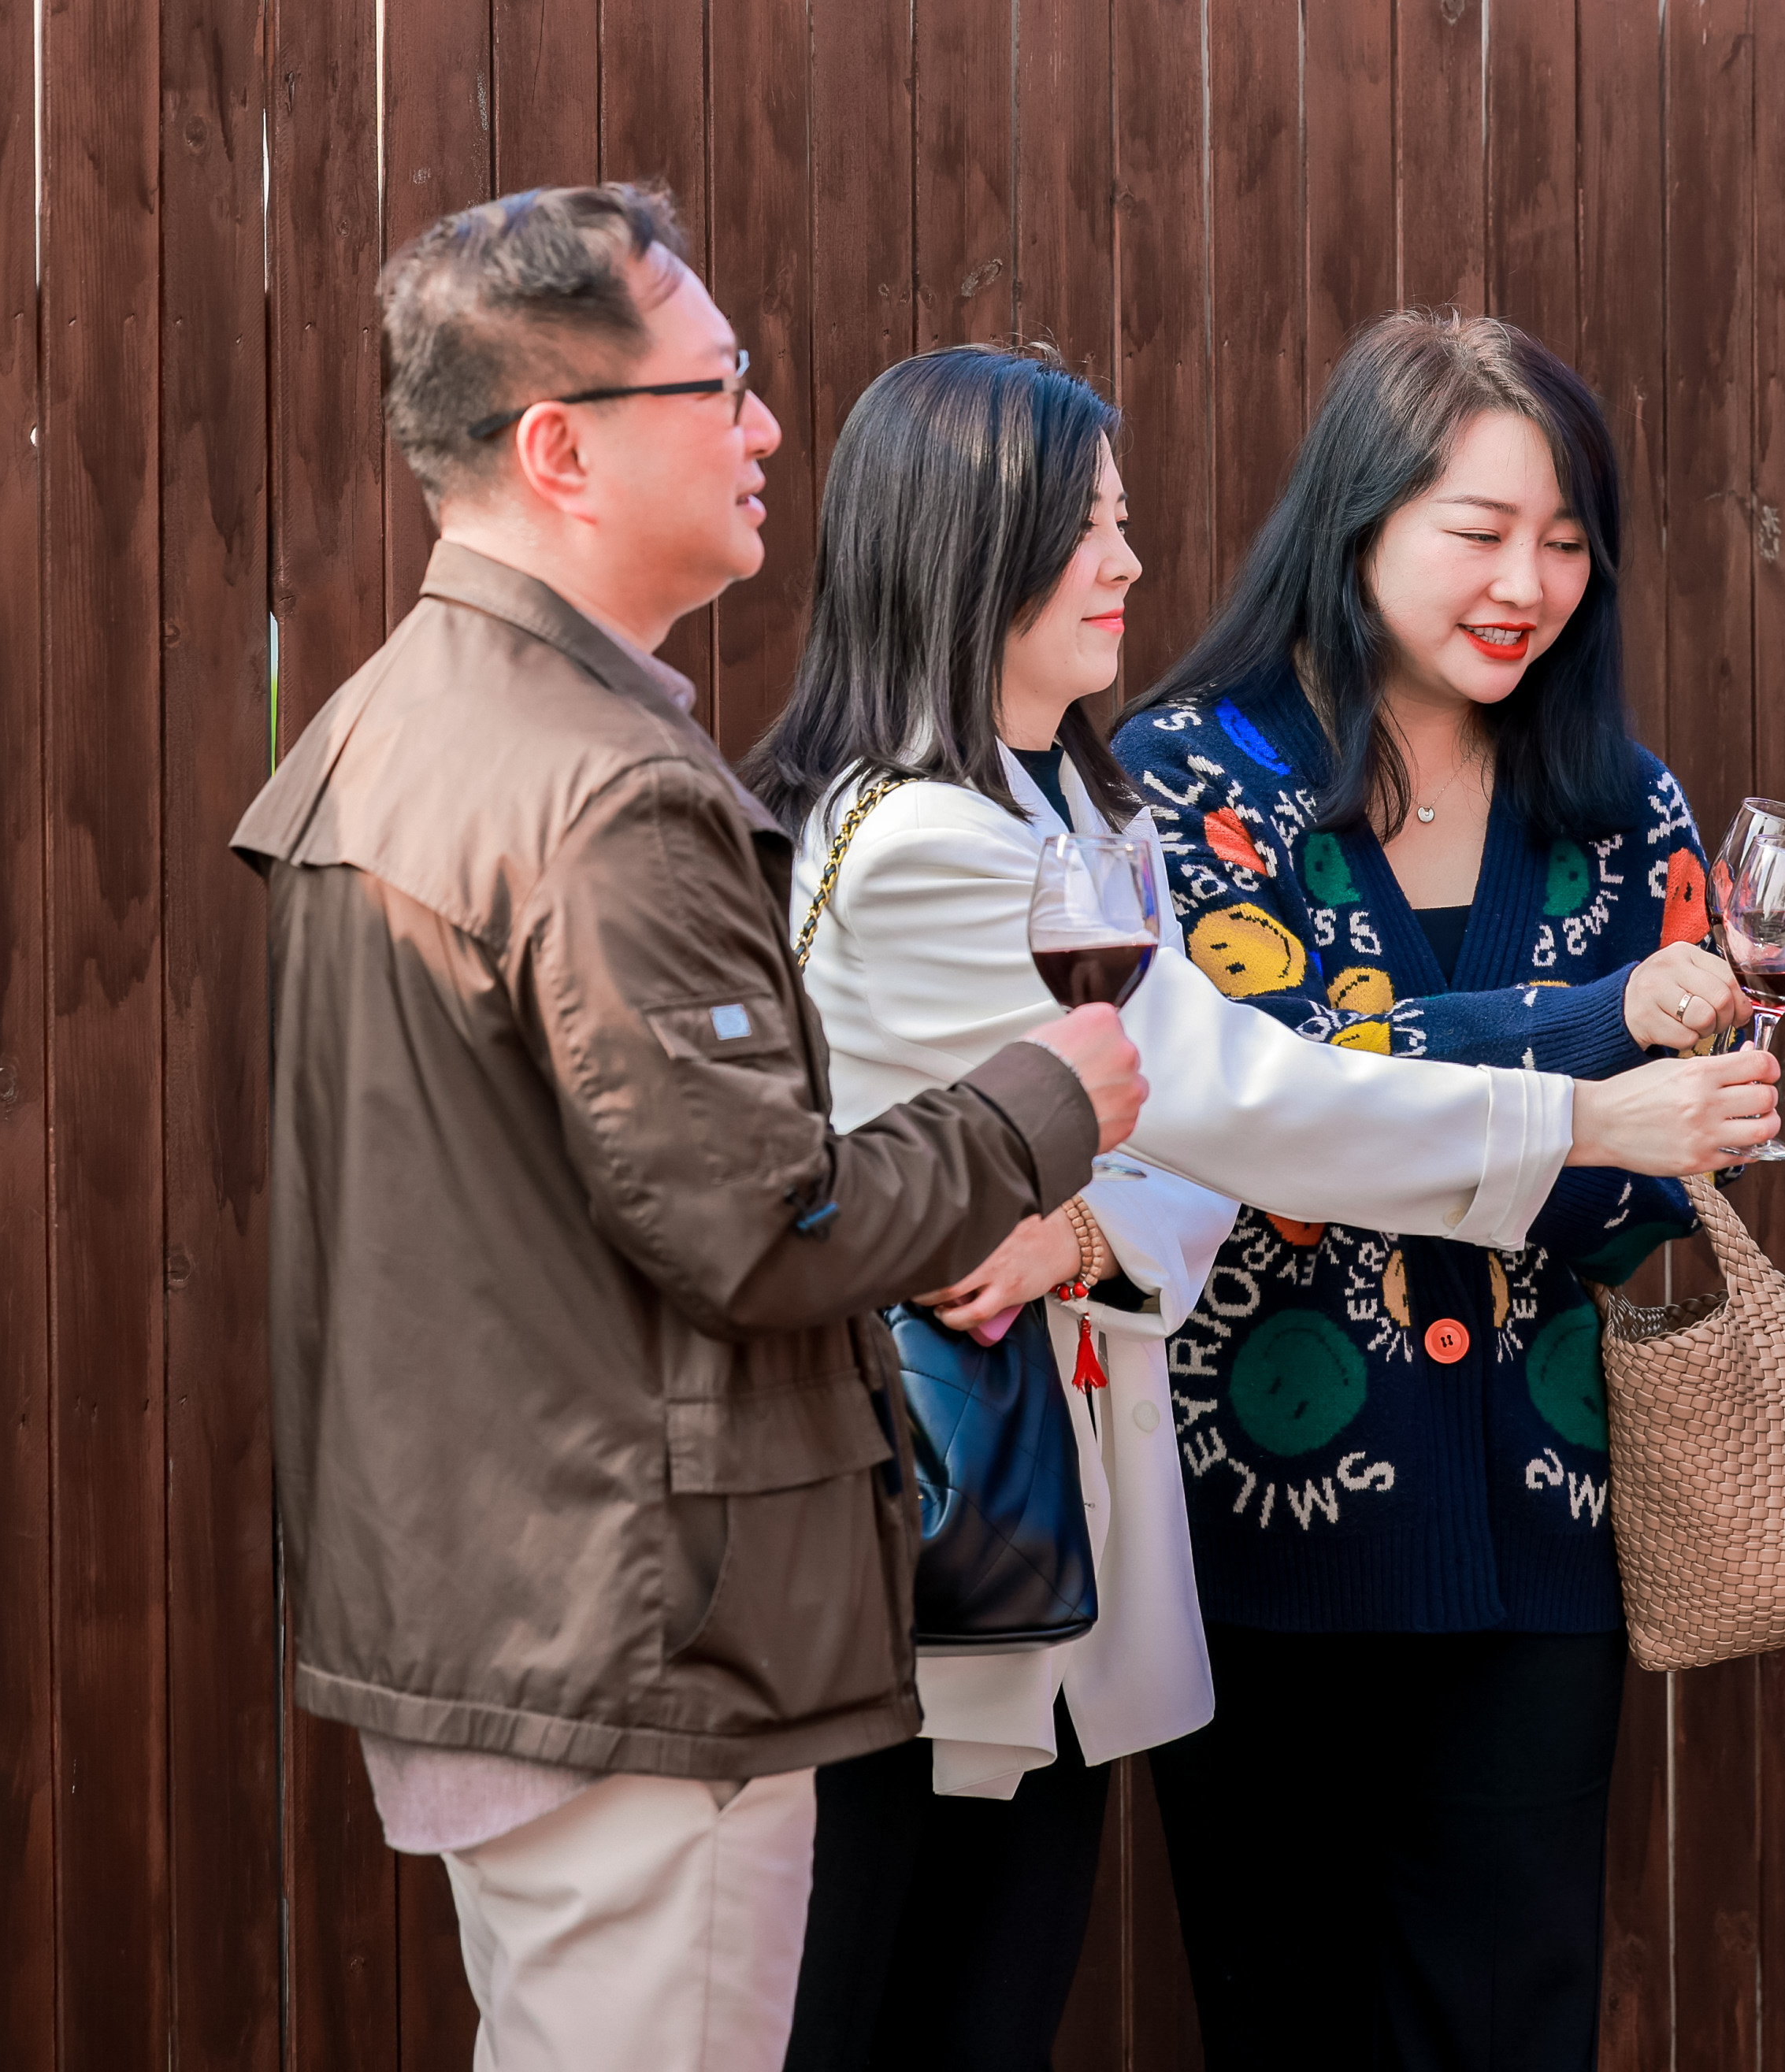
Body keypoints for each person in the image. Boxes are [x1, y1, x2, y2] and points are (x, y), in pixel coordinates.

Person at [749, 344, 1776, 2069]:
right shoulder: (1038, 815)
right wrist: (1594, 1086)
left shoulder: (1066, 805)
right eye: (1091, 527)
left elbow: (1178, 1151)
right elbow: (1249, 1092)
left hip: (1469, 1516)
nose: (1131, 560)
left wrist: (1095, 1225)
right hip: (1067, 1521)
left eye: (1566, 540)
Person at [232, 183, 1150, 2072]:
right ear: (558, 449)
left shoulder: (388, 724)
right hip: (638, 1638)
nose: (768, 430)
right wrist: (1044, 1110)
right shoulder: (601, 794)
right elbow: (767, 1227)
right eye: (719, 387)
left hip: (512, 1610)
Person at [1114, 311, 1742, 2071]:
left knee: (1515, 2021)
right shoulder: (1189, 781)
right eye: (1479, 531)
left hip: (1543, 1535)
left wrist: (1665, 1120)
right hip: (1260, 1527)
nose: (1527, 583)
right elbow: (1245, 1100)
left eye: (1567, 541)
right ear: (1359, 521)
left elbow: (1652, 1193)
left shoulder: (1626, 809)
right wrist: (1588, 1051)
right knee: (1284, 2024)